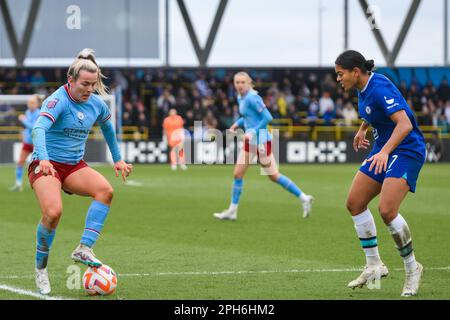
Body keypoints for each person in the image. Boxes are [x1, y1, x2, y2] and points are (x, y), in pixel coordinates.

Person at [29, 49, 133, 295]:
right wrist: (43, 158)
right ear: (71, 80)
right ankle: (40, 269)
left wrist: (117, 159)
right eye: (84, 84)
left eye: (93, 84)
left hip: (74, 166)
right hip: (47, 164)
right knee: (53, 213)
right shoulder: (57, 100)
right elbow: (38, 129)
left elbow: (108, 128)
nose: (89, 89)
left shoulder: (95, 104)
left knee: (105, 191)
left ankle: (84, 248)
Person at [335, 50, 426, 296]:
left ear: (355, 72)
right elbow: (373, 111)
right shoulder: (363, 86)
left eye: (340, 74)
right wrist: (363, 128)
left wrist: (384, 152)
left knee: (387, 210)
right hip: (384, 148)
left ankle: (412, 268)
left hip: (406, 149)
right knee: (355, 203)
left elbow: (405, 124)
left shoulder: (378, 88)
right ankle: (374, 265)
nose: (338, 79)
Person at [213, 72, 313, 221]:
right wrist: (237, 124)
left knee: (273, 176)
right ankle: (232, 211)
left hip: (260, 142)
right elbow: (248, 116)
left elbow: (267, 117)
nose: (240, 85)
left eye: (242, 82)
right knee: (238, 174)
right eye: (237, 82)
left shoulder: (253, 98)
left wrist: (253, 131)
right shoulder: (241, 97)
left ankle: (304, 197)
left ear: (248, 83)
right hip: (251, 141)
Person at [9, 94, 42, 191]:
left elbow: (33, 127)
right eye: (29, 103)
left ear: (37, 104)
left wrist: (24, 120)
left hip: (37, 143)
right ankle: (18, 184)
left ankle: (41, 184)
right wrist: (23, 133)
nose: (30, 104)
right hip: (28, 142)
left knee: (39, 165)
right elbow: (27, 129)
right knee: (20, 162)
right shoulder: (28, 112)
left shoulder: (39, 113)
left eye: (32, 103)